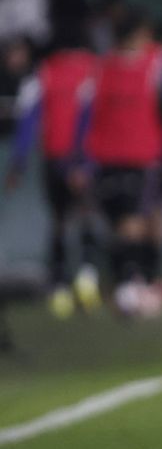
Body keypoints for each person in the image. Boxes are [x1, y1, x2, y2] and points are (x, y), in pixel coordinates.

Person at [83, 12, 162, 318]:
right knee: (126, 224)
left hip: (142, 156)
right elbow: (90, 115)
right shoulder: (104, 68)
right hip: (116, 156)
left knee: (143, 221)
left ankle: (142, 283)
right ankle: (131, 284)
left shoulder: (157, 64)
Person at [4, 37, 100, 317]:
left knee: (59, 221)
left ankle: (60, 286)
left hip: (55, 160)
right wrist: (83, 162)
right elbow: (94, 117)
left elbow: (28, 121)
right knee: (86, 215)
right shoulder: (92, 70)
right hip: (81, 159)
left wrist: (17, 165)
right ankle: (86, 277)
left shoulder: (42, 74)